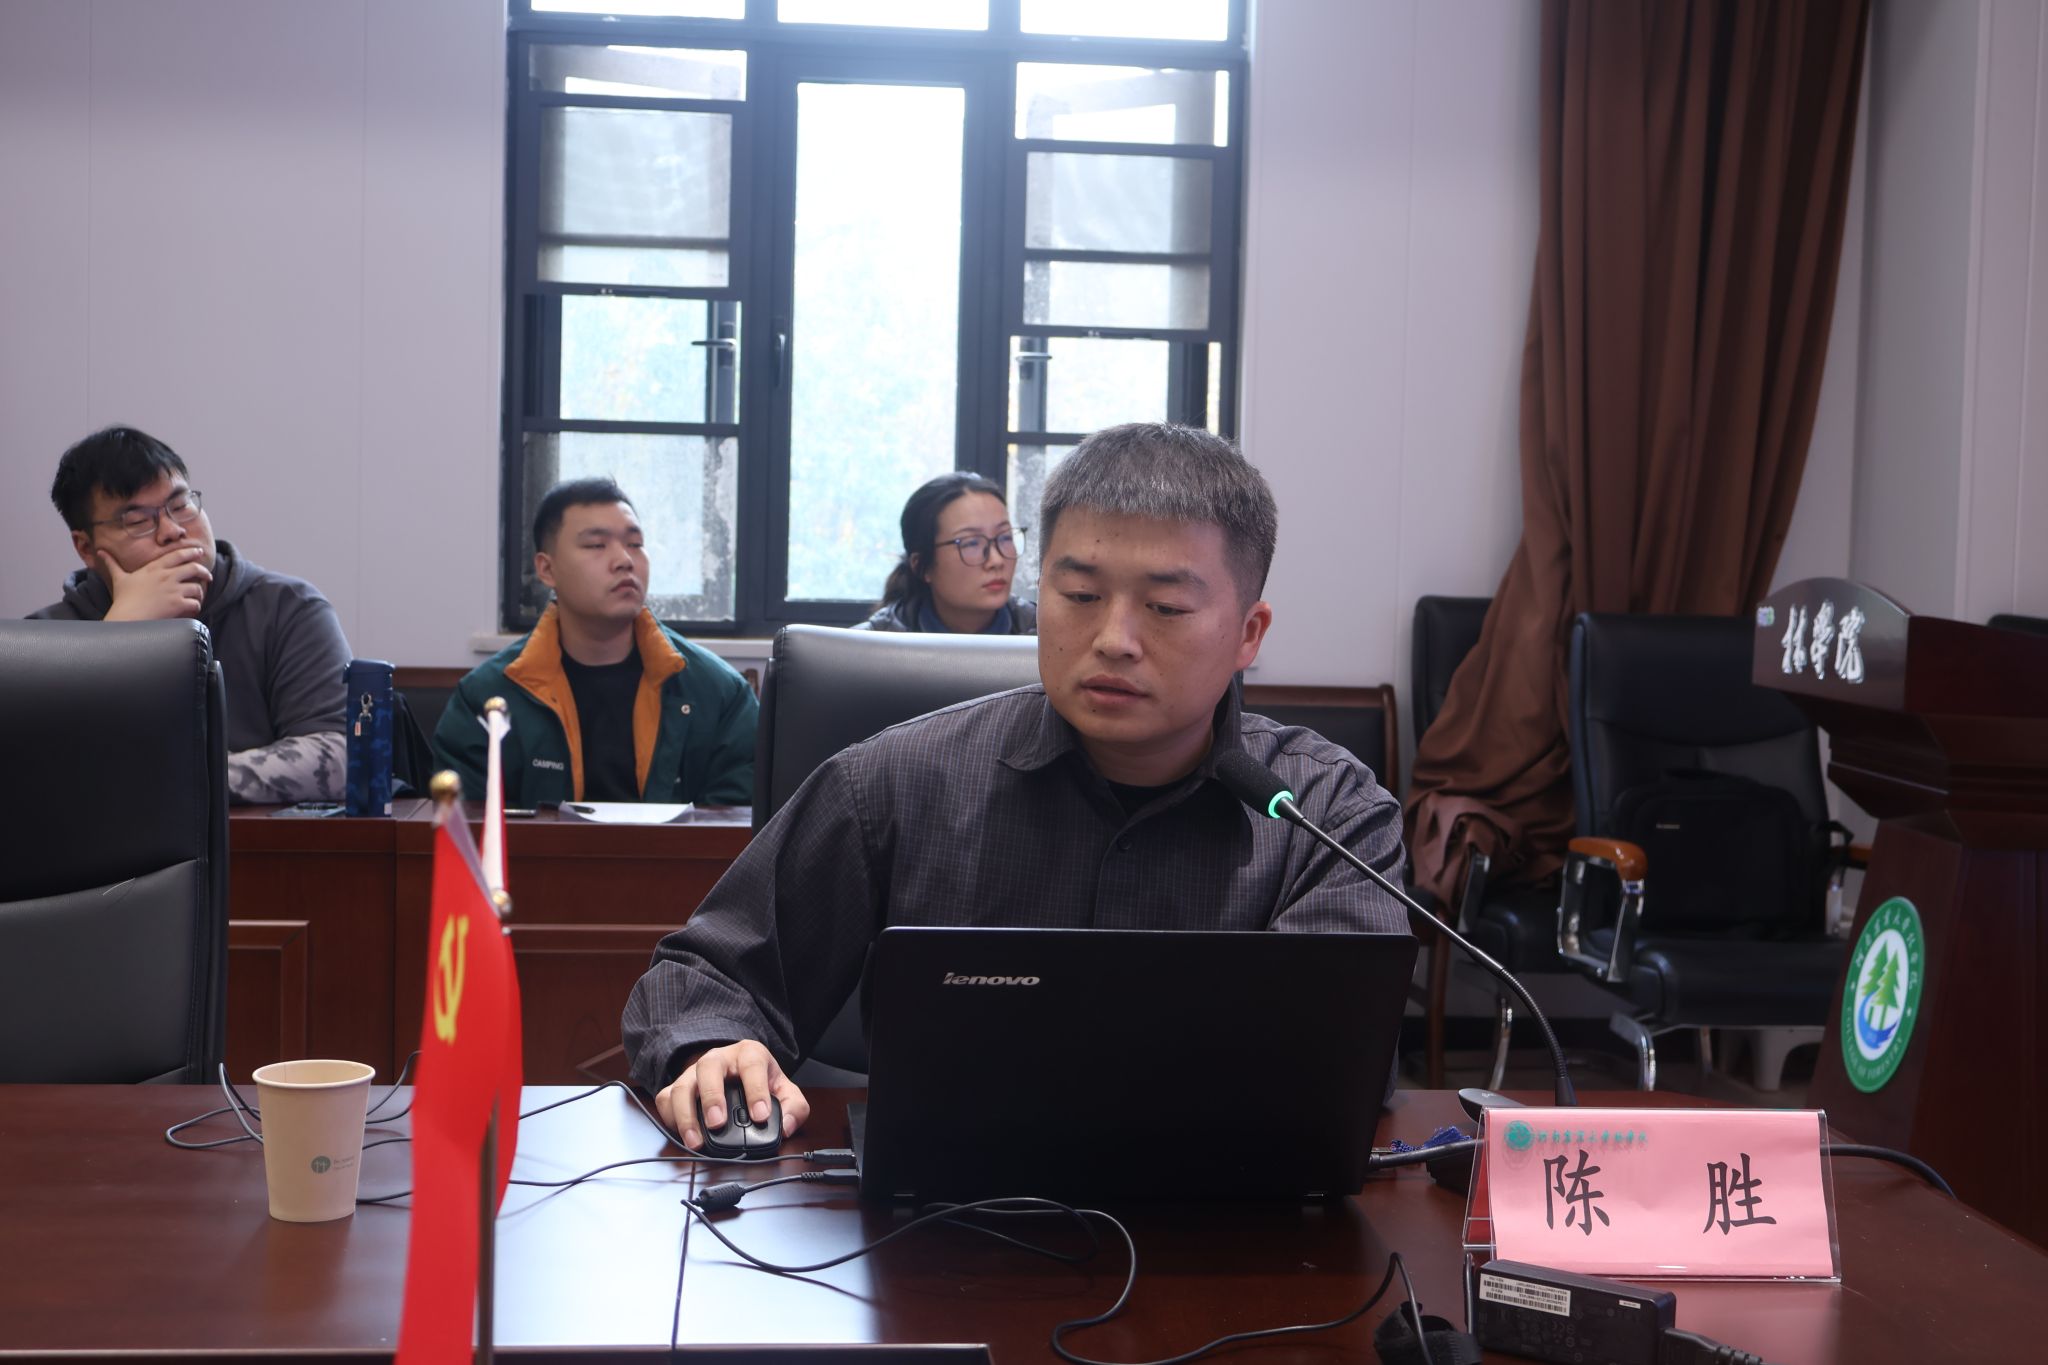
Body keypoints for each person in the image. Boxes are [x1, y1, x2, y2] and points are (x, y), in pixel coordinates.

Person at [623, 423, 1411, 1149]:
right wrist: (713, 1049)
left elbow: (1340, 1058)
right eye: (1079, 596)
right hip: (937, 1221)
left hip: (1231, 1227)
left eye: (1167, 606)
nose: (1114, 639)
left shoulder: (1325, 814)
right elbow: (706, 976)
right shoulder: (896, 782)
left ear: (1248, 634)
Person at [31, 426, 351, 805]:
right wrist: (117, 638)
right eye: (137, 521)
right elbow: (29, 775)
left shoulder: (289, 608)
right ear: (86, 547)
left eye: (181, 505)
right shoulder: (41, 640)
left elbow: (340, 757)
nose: (173, 531)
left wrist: (175, 781)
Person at [435, 477, 757, 808]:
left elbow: (741, 824)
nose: (624, 560)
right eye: (596, 545)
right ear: (547, 569)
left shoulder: (719, 694)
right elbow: (463, 825)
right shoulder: (486, 699)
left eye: (635, 543)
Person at [855, 471, 1036, 634]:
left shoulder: (1043, 633)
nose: (996, 560)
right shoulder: (869, 647)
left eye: (1005, 537)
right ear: (921, 566)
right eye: (971, 543)